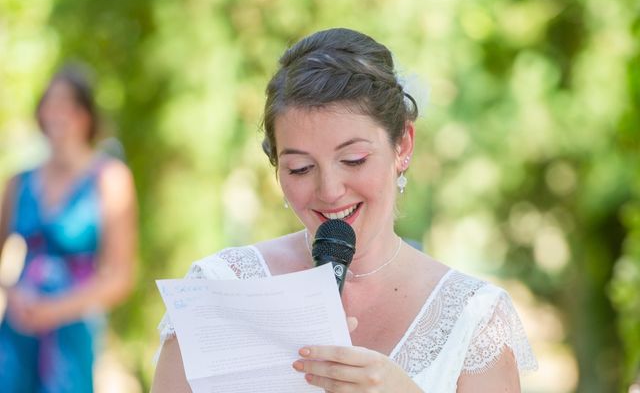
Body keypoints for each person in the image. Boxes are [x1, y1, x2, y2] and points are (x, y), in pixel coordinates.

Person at [152, 28, 536, 392]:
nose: (330, 191)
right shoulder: (219, 289)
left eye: (353, 159)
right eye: (300, 168)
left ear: (402, 146)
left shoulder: (474, 319)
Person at [0, 63, 138, 392]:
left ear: (86, 115)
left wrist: (56, 310)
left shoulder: (110, 179)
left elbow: (120, 276)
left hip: (73, 330)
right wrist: (12, 294)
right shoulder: (19, 182)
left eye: (68, 105)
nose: (57, 114)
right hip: (18, 329)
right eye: (50, 103)